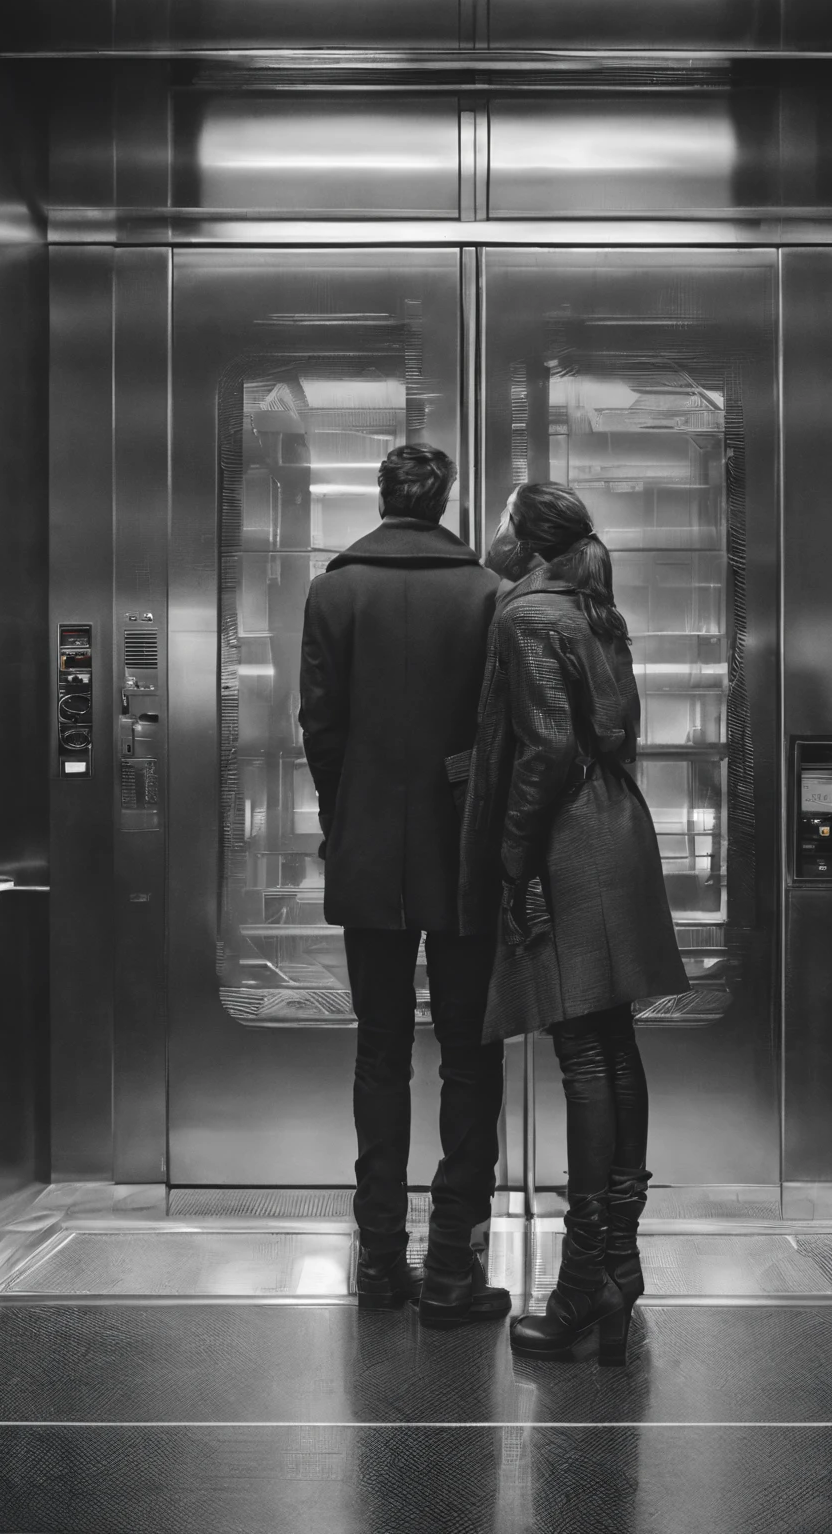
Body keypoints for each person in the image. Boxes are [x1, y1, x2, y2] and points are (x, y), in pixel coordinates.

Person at [459, 482, 690, 1365]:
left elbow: (546, 748)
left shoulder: (524, 617)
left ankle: (585, 1278)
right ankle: (616, 1270)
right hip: (618, 829)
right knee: (614, 1046)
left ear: (526, 538)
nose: (491, 533)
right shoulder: (594, 608)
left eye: (503, 518)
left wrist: (514, 856)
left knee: (584, 1054)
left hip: (569, 842)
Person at [298, 443, 511, 1327]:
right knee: (469, 1053)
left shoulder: (334, 591)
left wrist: (344, 816)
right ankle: (454, 1261)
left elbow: (322, 724)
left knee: (380, 1051)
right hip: (465, 851)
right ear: (446, 501)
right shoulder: (490, 595)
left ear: (382, 498)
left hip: (369, 849)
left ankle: (380, 1257)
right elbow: (502, 729)